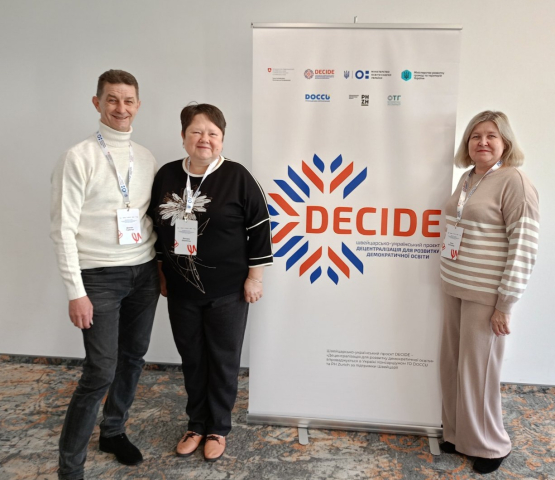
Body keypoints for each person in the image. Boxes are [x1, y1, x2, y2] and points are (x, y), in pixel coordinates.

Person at [50, 69, 160, 480]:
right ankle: (70, 468)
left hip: (143, 273)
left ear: (138, 106)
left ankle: (113, 431)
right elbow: (62, 229)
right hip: (98, 277)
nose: (121, 108)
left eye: (128, 100)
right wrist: (75, 291)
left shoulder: (146, 158)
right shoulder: (77, 157)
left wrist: (159, 269)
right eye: (112, 99)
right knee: (100, 371)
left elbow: (149, 219)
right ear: (97, 103)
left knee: (132, 359)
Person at [149, 103, 272, 462]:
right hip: (181, 289)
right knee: (192, 358)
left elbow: (260, 228)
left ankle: (218, 427)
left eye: (212, 133)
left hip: (228, 289)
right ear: (183, 136)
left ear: (222, 138)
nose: (204, 139)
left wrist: (255, 277)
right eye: (196, 132)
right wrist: (161, 271)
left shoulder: (237, 176)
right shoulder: (167, 175)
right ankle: (196, 424)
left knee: (222, 359)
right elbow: (157, 228)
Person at [439, 111, 540, 474]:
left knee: (479, 373)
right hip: (454, 285)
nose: (482, 142)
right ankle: (457, 434)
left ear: (505, 143)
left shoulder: (515, 181)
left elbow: (524, 246)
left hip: (486, 294)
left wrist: (505, 303)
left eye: (491, 136)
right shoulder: (468, 178)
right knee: (453, 365)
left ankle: (489, 445)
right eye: (475, 136)